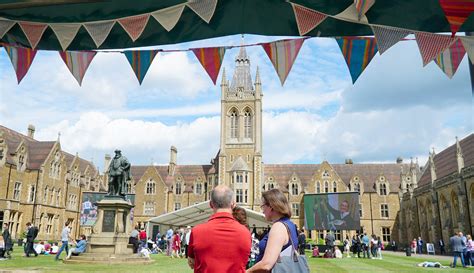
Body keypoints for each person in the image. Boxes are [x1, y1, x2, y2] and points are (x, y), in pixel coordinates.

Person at [188, 185, 251, 273]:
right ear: (233, 204)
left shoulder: (196, 231)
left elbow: (191, 262)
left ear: (211, 204)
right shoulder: (245, 233)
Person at [247, 189, 298, 272]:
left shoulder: (278, 227)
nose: (262, 210)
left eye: (263, 206)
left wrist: (247, 271)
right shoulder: (289, 224)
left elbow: (266, 264)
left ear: (271, 206)